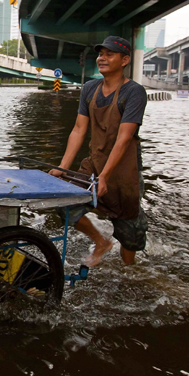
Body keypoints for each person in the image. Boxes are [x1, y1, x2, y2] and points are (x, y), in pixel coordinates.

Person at [49, 36, 148, 266]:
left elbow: (124, 139)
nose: (102, 58)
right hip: (95, 162)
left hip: (125, 171)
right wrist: (62, 168)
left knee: (129, 231)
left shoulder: (134, 92)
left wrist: (105, 177)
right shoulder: (90, 88)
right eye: (100, 54)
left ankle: (129, 273)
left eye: (109, 54)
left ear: (124, 60)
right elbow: (78, 129)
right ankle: (101, 242)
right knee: (64, 201)